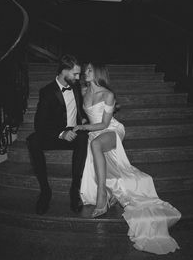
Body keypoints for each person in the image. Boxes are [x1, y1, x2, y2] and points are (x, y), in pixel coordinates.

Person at [73, 62, 181, 255]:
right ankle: (108, 192)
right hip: (93, 130)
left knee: (96, 144)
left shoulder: (108, 94)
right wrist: (82, 121)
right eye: (85, 69)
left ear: (97, 72)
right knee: (94, 146)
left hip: (110, 130)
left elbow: (104, 123)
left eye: (89, 69)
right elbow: (85, 114)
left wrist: (83, 128)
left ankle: (102, 196)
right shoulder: (83, 91)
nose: (84, 72)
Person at [27, 54, 88, 215]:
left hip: (74, 134)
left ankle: (75, 191)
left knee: (83, 137)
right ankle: (45, 191)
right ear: (63, 71)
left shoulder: (75, 86)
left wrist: (84, 123)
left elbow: (81, 111)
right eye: (75, 74)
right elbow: (39, 125)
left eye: (79, 74)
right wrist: (61, 134)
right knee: (32, 140)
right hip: (55, 135)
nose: (78, 77)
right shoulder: (47, 92)